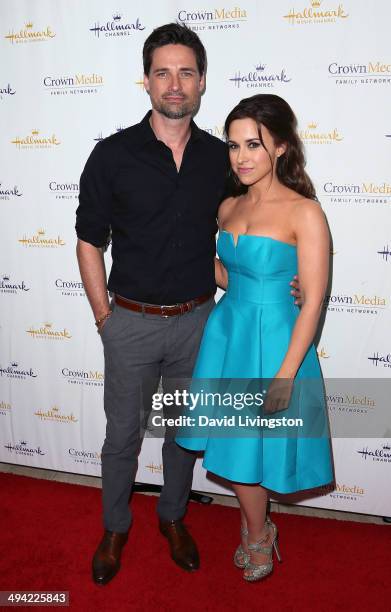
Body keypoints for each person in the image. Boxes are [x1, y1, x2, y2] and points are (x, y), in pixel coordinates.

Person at [75, 23, 302, 585]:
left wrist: (285, 283)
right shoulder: (112, 155)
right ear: (146, 81)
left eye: (186, 73)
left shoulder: (221, 159)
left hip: (201, 325)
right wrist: (105, 318)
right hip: (129, 321)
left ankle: (174, 517)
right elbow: (88, 241)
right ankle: (114, 527)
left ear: (201, 82)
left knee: (184, 434)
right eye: (162, 72)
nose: (174, 84)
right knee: (122, 435)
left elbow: (256, 226)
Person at [176, 94, 334, 582]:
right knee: (236, 443)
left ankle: (259, 531)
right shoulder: (227, 206)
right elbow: (227, 275)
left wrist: (286, 374)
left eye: (254, 145)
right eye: (233, 145)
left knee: (260, 442)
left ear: (281, 147)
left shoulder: (305, 213)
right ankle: (258, 530)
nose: (241, 156)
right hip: (229, 335)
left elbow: (313, 300)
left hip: (277, 343)